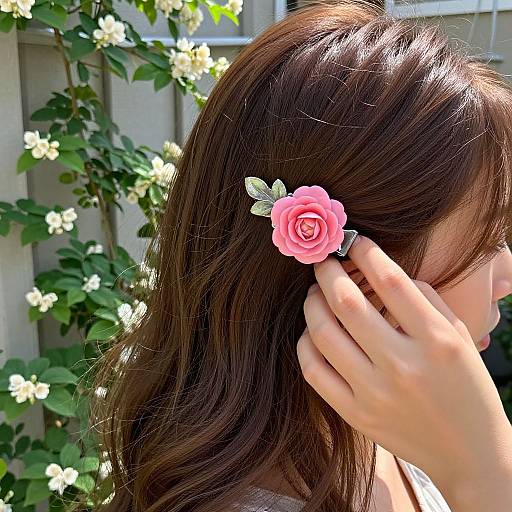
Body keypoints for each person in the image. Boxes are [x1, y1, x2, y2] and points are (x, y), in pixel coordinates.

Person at [91, 1, 512, 511]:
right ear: (359, 274)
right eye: (489, 238)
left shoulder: (394, 418)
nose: (507, 273)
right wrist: (483, 474)